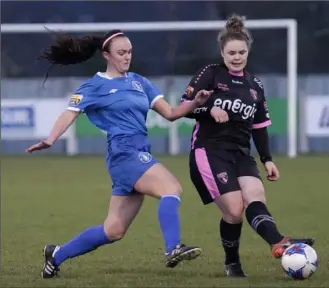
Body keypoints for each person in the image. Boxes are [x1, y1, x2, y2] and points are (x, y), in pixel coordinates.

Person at [26, 29, 212, 279]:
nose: (127, 57)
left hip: (137, 152)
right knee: (171, 188)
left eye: (130, 52)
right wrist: (50, 139)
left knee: (113, 230)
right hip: (123, 153)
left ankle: (55, 255)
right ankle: (173, 248)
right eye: (121, 53)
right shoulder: (94, 86)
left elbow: (170, 113)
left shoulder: (139, 81)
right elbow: (70, 113)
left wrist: (195, 103)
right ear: (106, 55)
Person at [180, 14, 315, 278]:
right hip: (209, 151)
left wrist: (267, 159)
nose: (237, 56)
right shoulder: (210, 73)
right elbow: (183, 108)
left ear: (248, 52)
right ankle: (233, 262)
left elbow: (260, 126)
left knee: (255, 196)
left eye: (241, 52)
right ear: (222, 52)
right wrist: (208, 108)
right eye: (231, 52)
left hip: (241, 152)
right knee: (234, 210)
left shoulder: (255, 85)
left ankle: (278, 241)